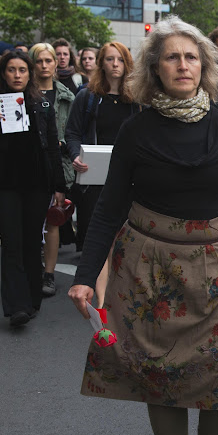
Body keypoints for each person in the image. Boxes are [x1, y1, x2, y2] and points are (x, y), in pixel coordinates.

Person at [67, 16, 218, 435]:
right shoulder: (136, 130)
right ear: (155, 68)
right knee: (159, 375)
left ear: (205, 66)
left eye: (192, 56)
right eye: (173, 57)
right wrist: (85, 274)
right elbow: (110, 207)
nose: (184, 64)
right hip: (150, 270)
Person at [0, 50, 65, 327]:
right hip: (4, 184)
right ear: (3, 73)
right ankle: (16, 305)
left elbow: (53, 147)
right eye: (11, 70)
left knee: (31, 242)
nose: (17, 75)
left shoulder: (42, 106)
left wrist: (58, 187)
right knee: (12, 243)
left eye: (22, 70)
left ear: (29, 74)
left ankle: (31, 299)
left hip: (37, 183)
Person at [65, 41, 142, 307]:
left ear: (128, 63)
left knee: (127, 241)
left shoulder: (138, 99)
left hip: (131, 179)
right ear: (101, 63)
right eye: (109, 59)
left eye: (120, 59)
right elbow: (72, 132)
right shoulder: (87, 97)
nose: (115, 65)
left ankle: (123, 295)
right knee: (101, 241)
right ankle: (102, 302)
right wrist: (76, 155)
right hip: (95, 179)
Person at [28, 43, 76, 297]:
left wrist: (63, 143)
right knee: (29, 221)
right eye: (39, 61)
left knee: (53, 219)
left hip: (57, 165)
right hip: (28, 166)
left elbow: (75, 131)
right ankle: (31, 268)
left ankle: (48, 273)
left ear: (56, 64)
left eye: (49, 60)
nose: (45, 65)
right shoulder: (23, 93)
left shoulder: (67, 96)